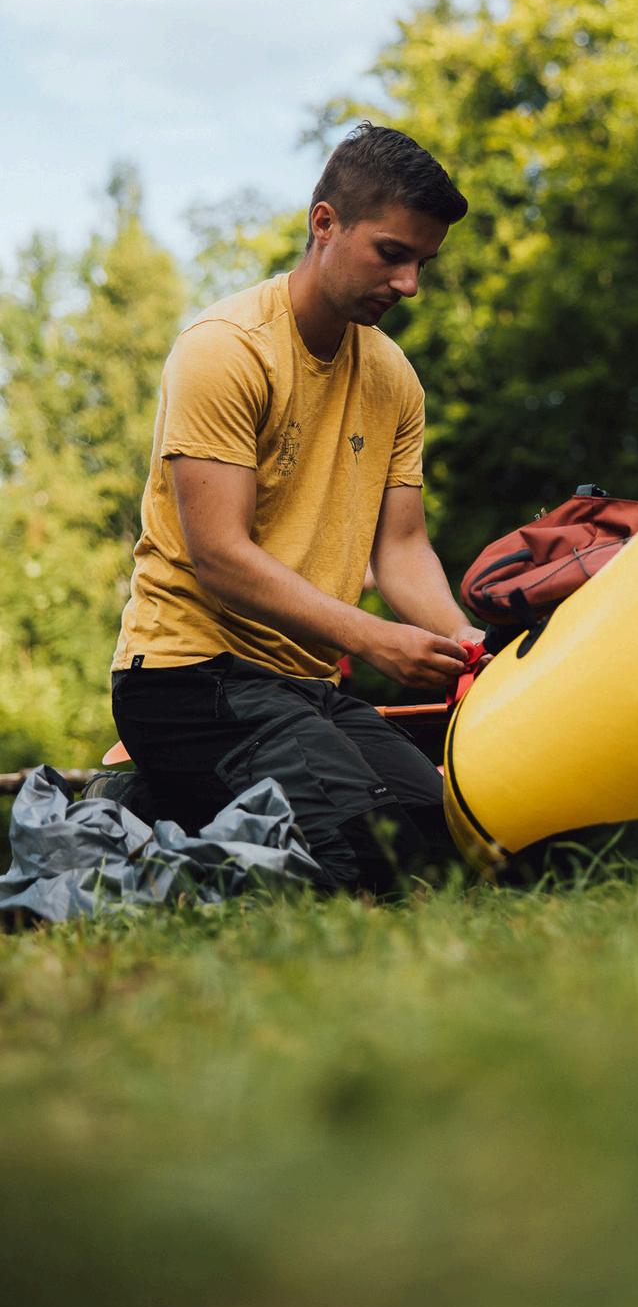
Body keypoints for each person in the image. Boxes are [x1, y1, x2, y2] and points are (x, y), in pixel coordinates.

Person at [110, 122, 487, 892]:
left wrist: (466, 643)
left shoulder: (394, 378)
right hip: (189, 679)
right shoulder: (225, 349)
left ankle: (172, 802)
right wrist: (375, 640)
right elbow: (220, 557)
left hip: (304, 688)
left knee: (451, 842)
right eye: (392, 253)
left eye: (422, 263)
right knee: (366, 865)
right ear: (325, 223)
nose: (410, 284)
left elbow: (401, 551)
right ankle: (143, 813)